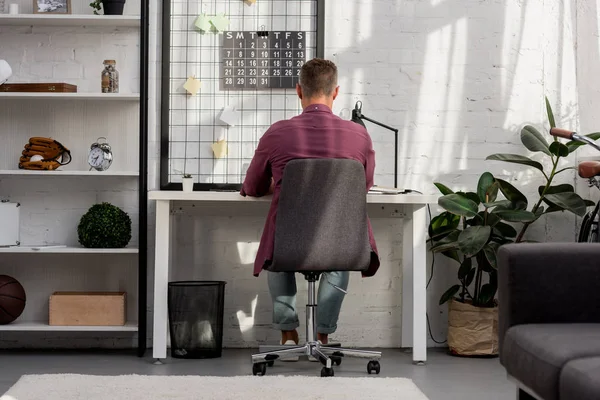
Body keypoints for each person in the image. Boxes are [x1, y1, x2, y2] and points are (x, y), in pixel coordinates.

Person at [240, 58, 380, 351]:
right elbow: (362, 186)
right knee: (338, 249)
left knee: (279, 253)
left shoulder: (277, 133)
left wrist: (281, 183)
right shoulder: (359, 135)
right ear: (336, 92)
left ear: (298, 91)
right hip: (343, 244)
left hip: (288, 243)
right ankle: (323, 336)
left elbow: (251, 187)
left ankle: (289, 334)